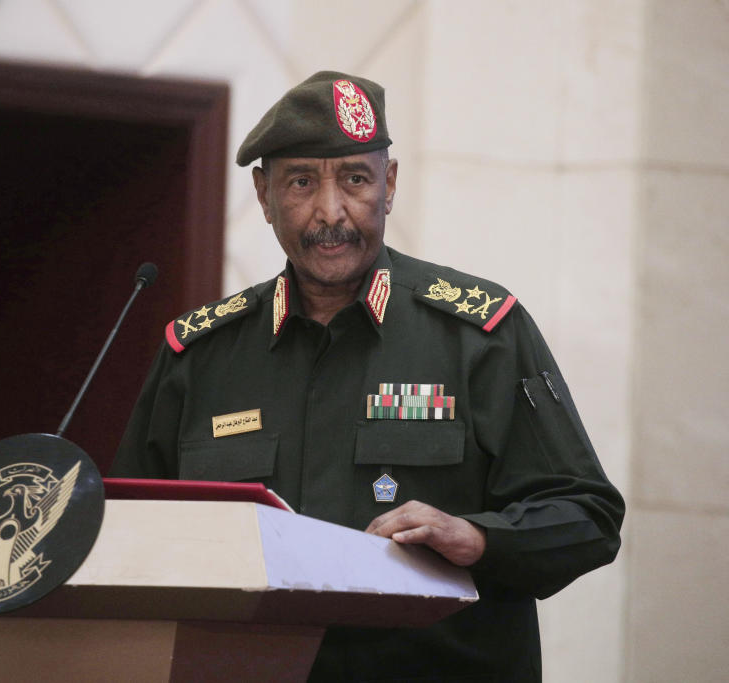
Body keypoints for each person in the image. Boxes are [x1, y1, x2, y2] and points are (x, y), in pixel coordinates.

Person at [110, 71, 624, 682]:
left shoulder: (479, 334)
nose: (332, 212)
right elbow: (131, 539)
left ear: (390, 185)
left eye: (355, 179)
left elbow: (586, 517)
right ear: (263, 195)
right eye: (301, 182)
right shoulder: (199, 355)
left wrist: (478, 538)